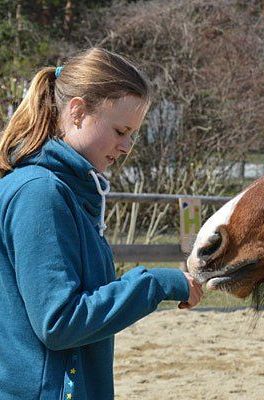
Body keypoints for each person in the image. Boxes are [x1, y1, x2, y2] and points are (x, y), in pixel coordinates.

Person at [0, 48, 203, 400]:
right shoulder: (40, 193)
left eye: (133, 134)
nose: (127, 147)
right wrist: (157, 283)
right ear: (77, 111)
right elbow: (60, 322)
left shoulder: (61, 192)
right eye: (121, 130)